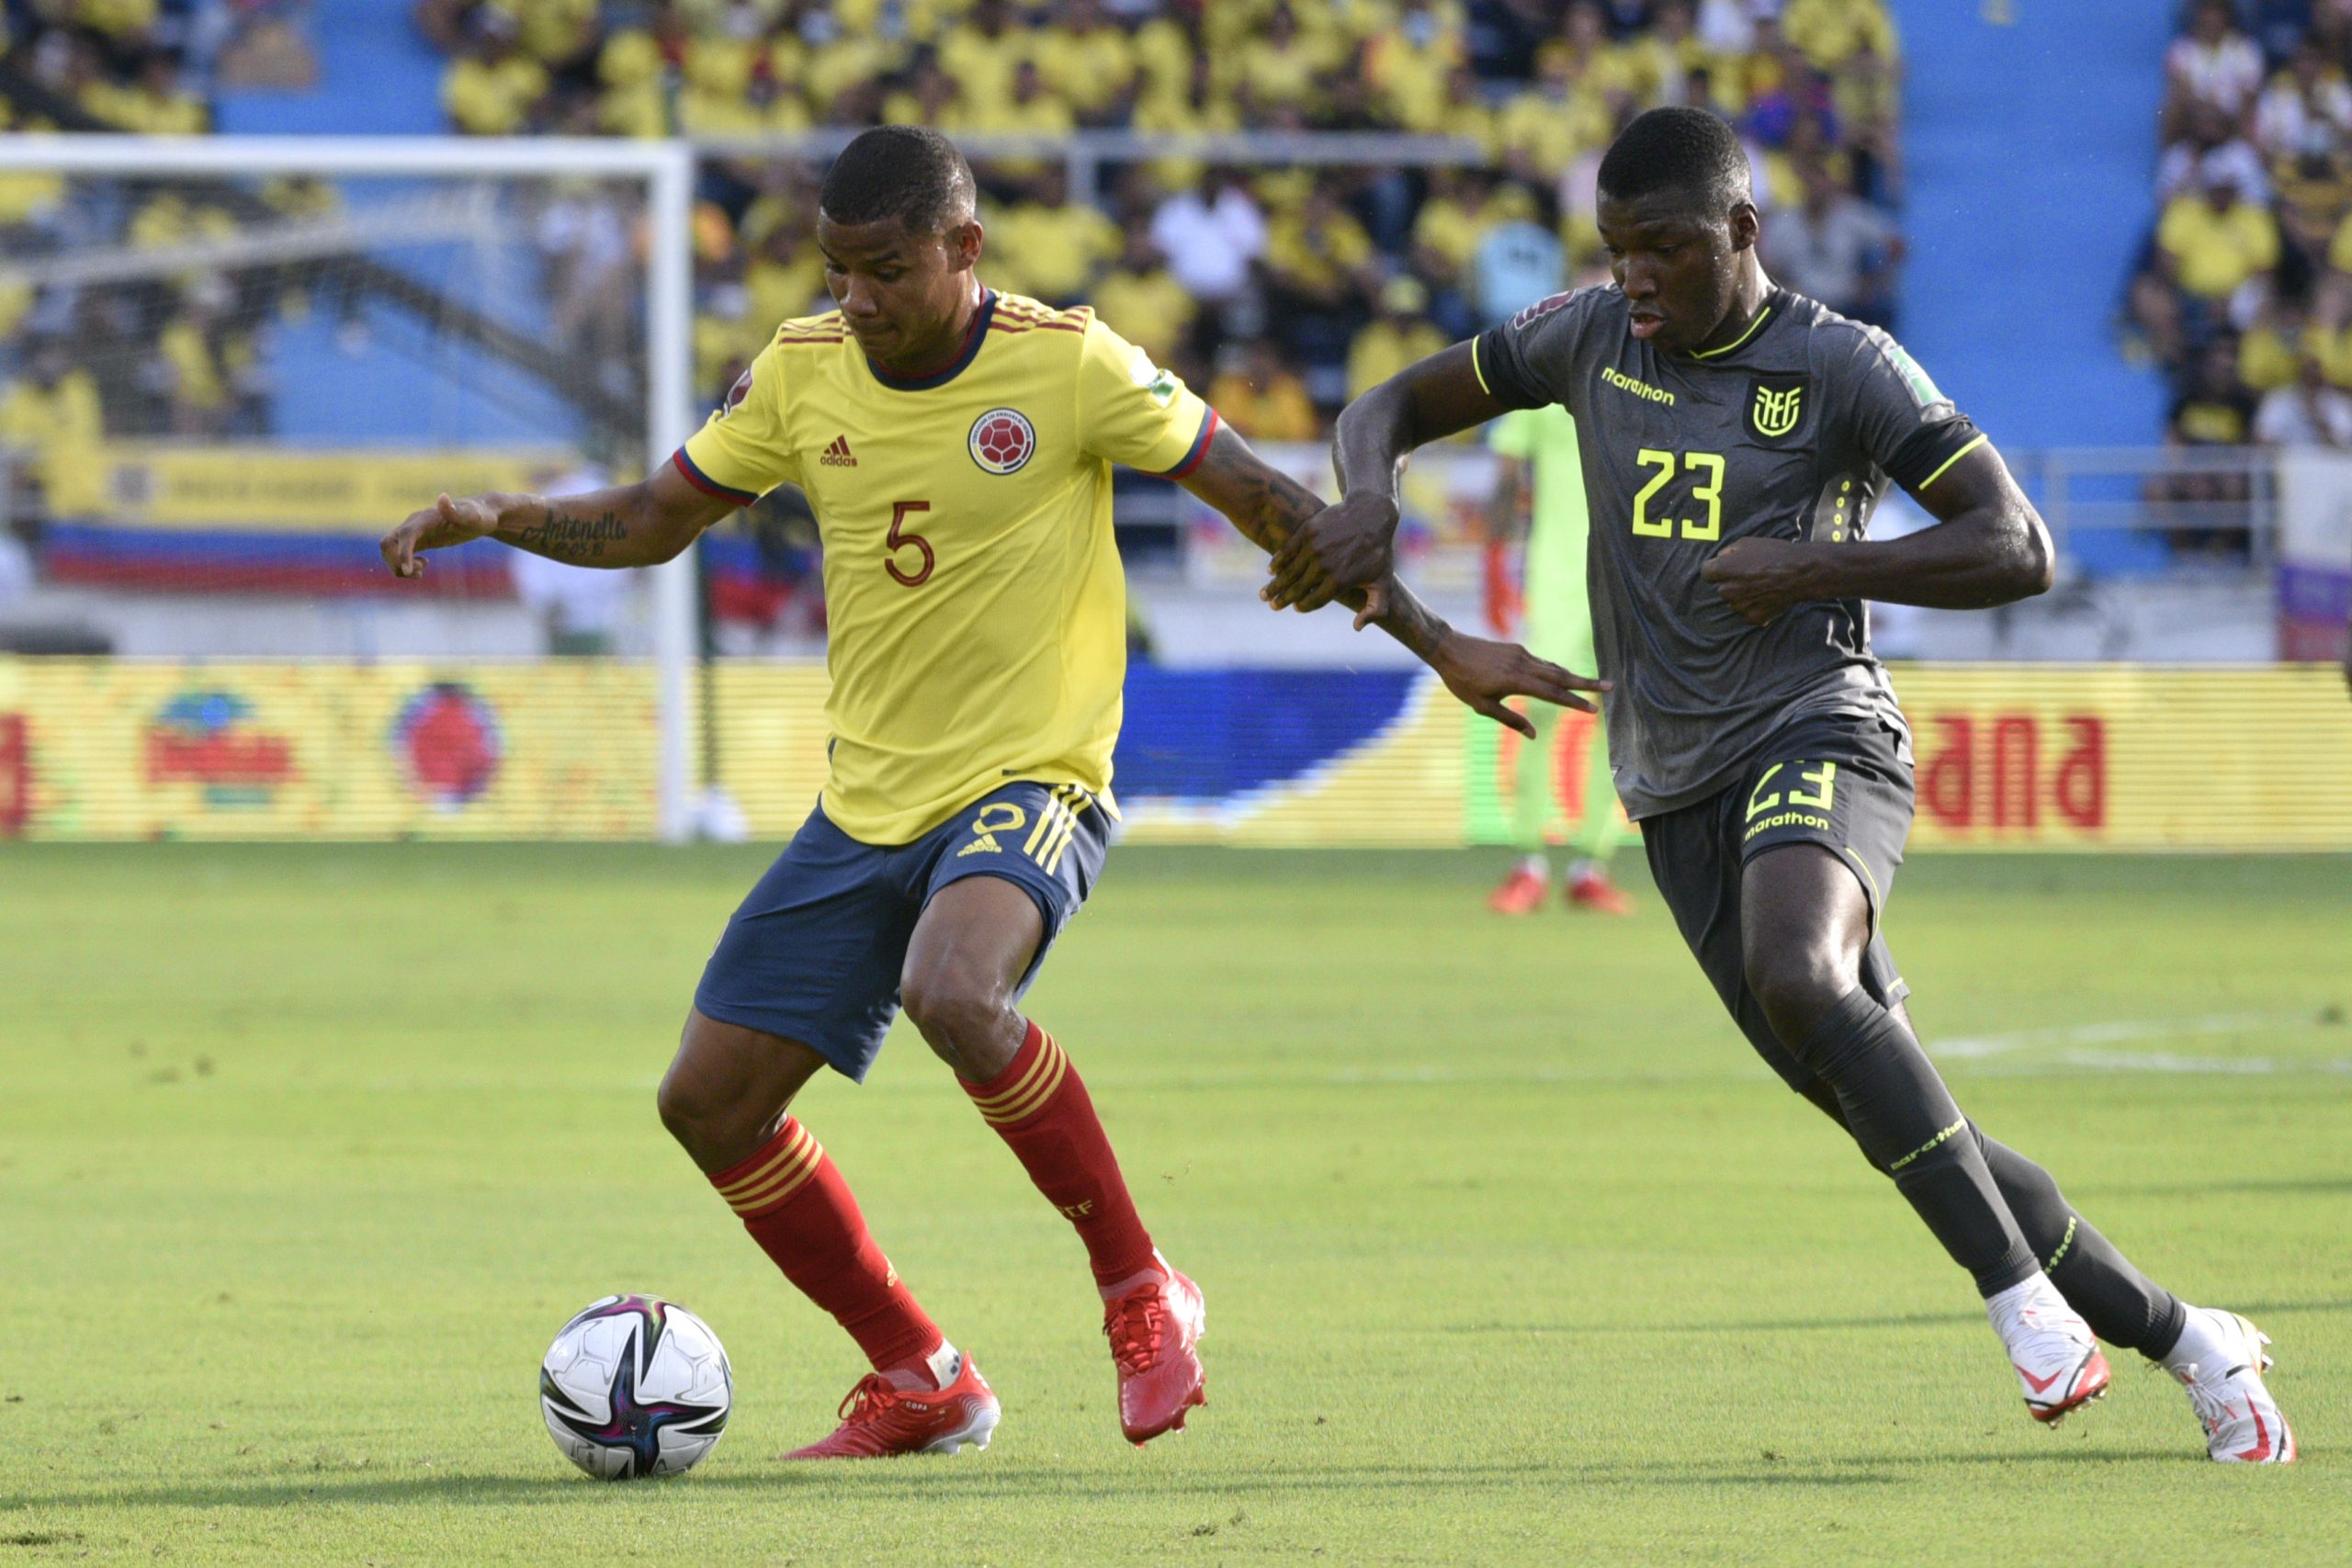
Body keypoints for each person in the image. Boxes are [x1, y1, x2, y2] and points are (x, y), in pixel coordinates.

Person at [380, 126, 1594, 1462]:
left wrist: (1438, 639)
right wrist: (501, 513)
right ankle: (922, 1373)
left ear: (963, 246)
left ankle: (1141, 1286)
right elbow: (654, 518)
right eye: (838, 271)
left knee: (954, 990)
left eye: (886, 270)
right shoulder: (799, 371)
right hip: (867, 803)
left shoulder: (1069, 363)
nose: (858, 299)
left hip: (1034, 774)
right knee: (707, 1102)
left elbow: (1264, 502)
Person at [1266, 107, 2295, 1464]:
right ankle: (2192, 1339)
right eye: (1616, 249)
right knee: (1914, 1125)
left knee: (1800, 971)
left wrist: (1818, 565)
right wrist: (1371, 495)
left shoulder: (1838, 364)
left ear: (1742, 230)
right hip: (1671, 782)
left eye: (1664, 249)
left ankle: (2020, 1304)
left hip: (1821, 725)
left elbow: (2017, 543)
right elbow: (1383, 406)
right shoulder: (1585, 336)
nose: (1635, 277)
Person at [1484, 401, 1633, 916]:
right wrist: (1494, 559)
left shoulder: (1648, 378)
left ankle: (1591, 866)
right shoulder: (1547, 380)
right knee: (1539, 711)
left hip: (1625, 579)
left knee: (1617, 719)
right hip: (1558, 578)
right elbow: (1509, 470)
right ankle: (1528, 862)